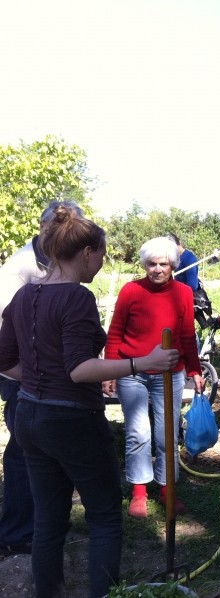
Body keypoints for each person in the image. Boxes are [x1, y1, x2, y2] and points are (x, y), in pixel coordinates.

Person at [0, 205, 179, 598]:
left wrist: (38, 381)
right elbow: (80, 370)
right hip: (71, 421)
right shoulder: (76, 298)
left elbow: (6, 361)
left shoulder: (25, 294)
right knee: (103, 516)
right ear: (86, 253)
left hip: (29, 414)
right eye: (101, 253)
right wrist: (143, 362)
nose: (101, 261)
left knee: (48, 519)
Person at [0, 200, 84, 558]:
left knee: (45, 450)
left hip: (45, 375)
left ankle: (45, 526)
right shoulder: (18, 268)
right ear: (42, 227)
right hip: (21, 374)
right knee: (23, 450)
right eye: (58, 228)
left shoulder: (59, 260)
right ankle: (18, 533)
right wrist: (28, 376)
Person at [103, 236, 204, 518]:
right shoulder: (131, 291)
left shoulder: (183, 293)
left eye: (163, 264)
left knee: (166, 433)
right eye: (152, 264)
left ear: (172, 265)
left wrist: (194, 370)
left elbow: (187, 335)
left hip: (170, 372)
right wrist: (111, 370)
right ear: (144, 264)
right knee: (137, 432)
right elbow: (115, 332)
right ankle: (138, 491)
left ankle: (166, 488)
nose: (157, 269)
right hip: (131, 370)